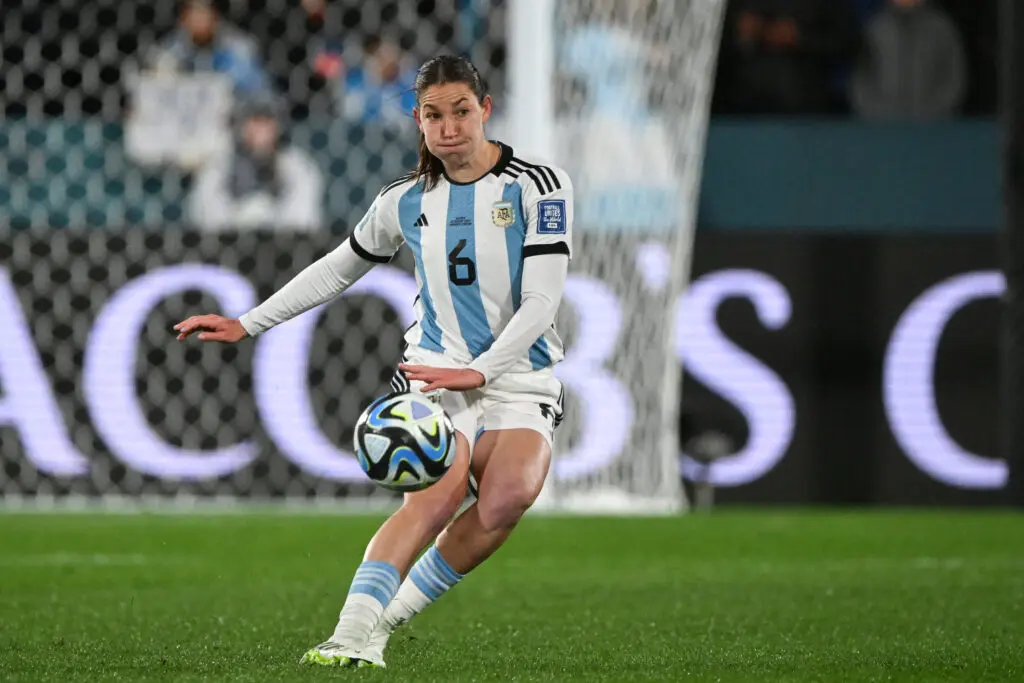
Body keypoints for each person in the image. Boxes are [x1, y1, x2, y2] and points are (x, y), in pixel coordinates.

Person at [173, 55, 573, 669]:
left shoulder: (538, 186)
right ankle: (347, 636)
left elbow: (543, 300)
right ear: (419, 121)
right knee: (432, 502)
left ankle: (384, 623)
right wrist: (248, 322)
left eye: (461, 111)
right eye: (433, 115)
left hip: (518, 371)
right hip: (433, 369)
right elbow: (338, 267)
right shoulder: (404, 200)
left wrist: (485, 370)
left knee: (508, 498)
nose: (448, 127)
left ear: (485, 110)